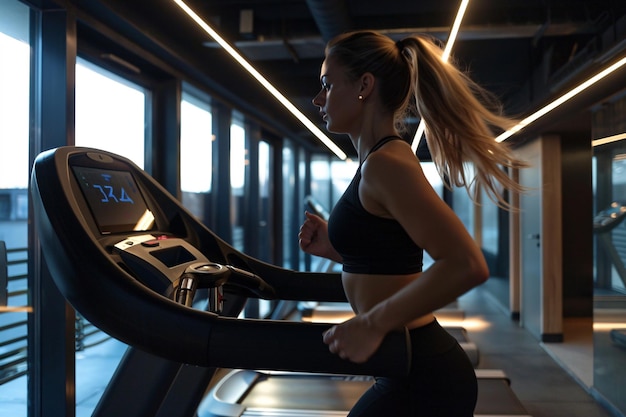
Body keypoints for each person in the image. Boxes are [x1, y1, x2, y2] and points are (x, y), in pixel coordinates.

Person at [298, 30, 527, 416]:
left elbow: (467, 264)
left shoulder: (387, 164)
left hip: (424, 373)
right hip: (407, 364)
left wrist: (371, 324)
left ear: (364, 86)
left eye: (326, 84)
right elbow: (392, 260)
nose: (318, 98)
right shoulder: (376, 162)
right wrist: (337, 250)